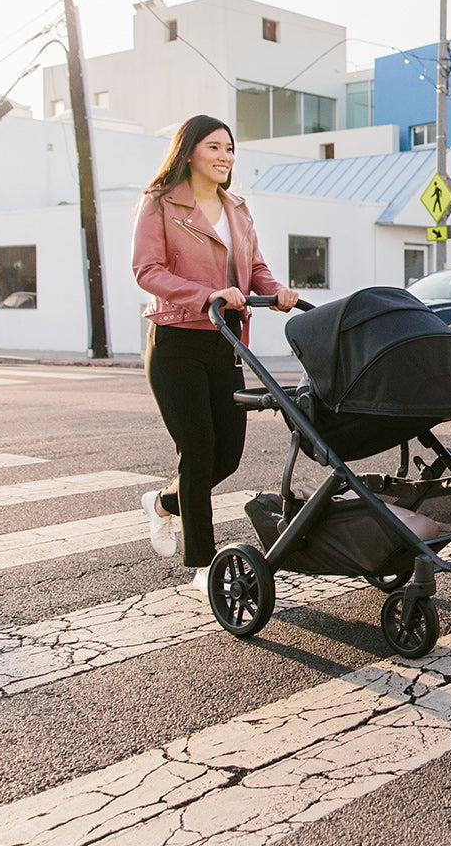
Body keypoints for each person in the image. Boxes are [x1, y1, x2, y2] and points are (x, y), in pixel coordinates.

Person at [132, 114, 298, 590]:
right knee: (199, 450)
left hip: (225, 343)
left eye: (229, 148)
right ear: (188, 153)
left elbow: (256, 266)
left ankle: (163, 503)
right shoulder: (160, 204)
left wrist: (275, 289)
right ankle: (203, 565)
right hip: (177, 340)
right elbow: (147, 270)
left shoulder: (237, 208)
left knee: (228, 455)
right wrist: (205, 294)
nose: (225, 156)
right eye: (214, 148)